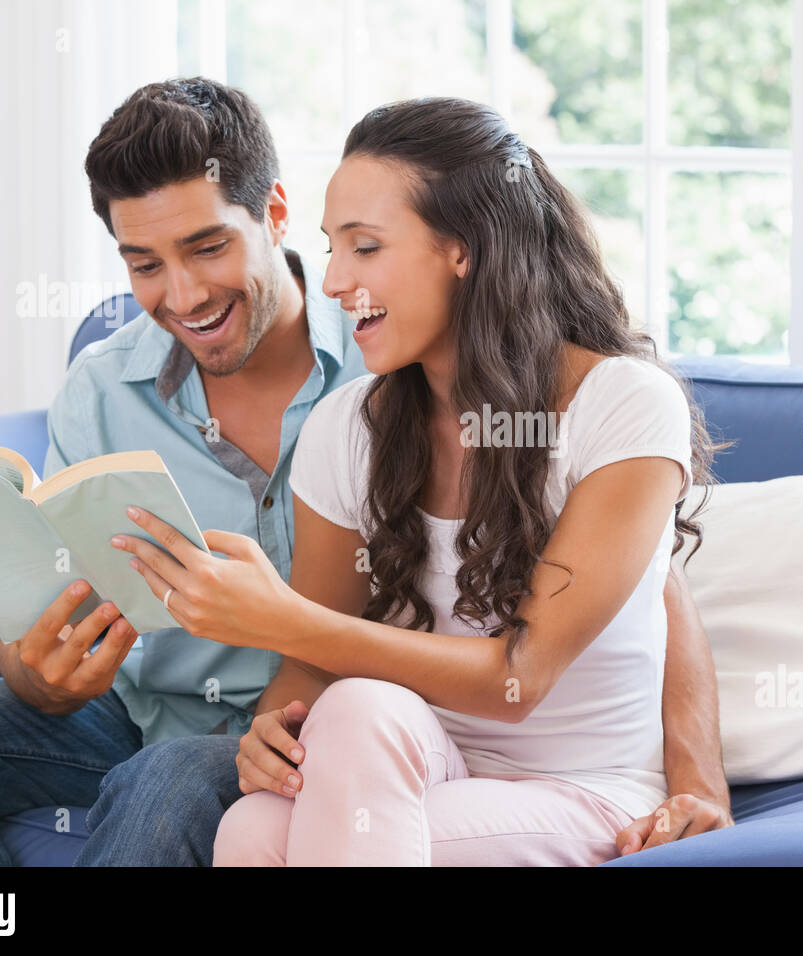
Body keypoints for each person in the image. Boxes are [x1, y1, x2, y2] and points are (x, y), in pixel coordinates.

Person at [0, 80, 729, 866]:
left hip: (311, 733)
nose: (183, 295)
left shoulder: (386, 358)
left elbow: (646, 581)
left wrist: (699, 776)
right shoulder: (116, 390)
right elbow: (55, 609)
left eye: (206, 247)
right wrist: (37, 675)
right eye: (143, 265)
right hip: (177, 716)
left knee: (197, 780)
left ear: (271, 212)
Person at [110, 96, 731, 866]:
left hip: (584, 788)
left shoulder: (623, 405)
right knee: (285, 783)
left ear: (462, 249)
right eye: (331, 247)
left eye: (364, 248)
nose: (333, 282)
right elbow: (315, 663)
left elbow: (521, 676)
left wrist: (271, 619)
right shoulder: (347, 430)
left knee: (278, 835)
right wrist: (273, 727)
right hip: (426, 762)